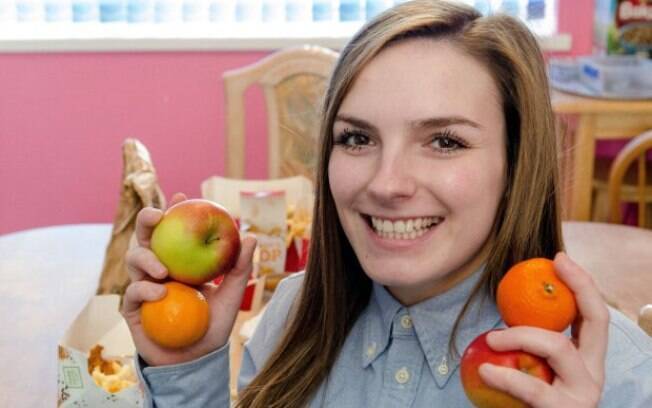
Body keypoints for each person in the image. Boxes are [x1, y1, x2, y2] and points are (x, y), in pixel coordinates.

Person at [122, 1, 652, 407]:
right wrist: (188, 369)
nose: (386, 183)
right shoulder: (291, 316)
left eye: (444, 141)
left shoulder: (614, 374)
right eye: (357, 139)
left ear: (516, 166)